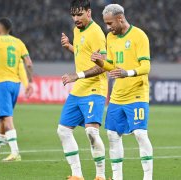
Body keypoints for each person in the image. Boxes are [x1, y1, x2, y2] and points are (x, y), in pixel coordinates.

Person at [91, 4, 153, 180]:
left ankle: (148, 177)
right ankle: (117, 177)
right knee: (112, 134)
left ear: (120, 18)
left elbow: (146, 66)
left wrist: (128, 72)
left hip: (137, 93)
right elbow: (111, 65)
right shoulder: (110, 37)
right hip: (117, 96)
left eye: (110, 23)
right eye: (106, 24)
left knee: (140, 134)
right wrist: (100, 62)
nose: (108, 27)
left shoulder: (139, 36)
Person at [56, 0, 108, 179]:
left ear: (89, 12)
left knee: (91, 132)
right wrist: (70, 47)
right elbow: (83, 54)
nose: (75, 18)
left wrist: (77, 75)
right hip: (78, 90)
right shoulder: (77, 30)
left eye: (79, 14)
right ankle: (76, 175)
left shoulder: (97, 33)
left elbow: (103, 66)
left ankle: (100, 176)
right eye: (73, 15)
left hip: (95, 89)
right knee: (63, 131)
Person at [0, 17, 34, 162]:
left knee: (7, 119)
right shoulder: (19, 42)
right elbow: (28, 63)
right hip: (15, 85)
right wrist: (30, 82)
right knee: (4, 118)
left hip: (1, 84)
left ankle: (15, 152)